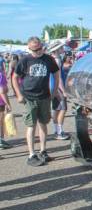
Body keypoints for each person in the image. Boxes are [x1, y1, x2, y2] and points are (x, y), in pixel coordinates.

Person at [12, 37, 61, 166]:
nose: (38, 51)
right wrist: (18, 95)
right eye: (35, 49)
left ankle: (43, 151)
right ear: (29, 48)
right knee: (31, 125)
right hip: (29, 97)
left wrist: (55, 91)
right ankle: (31, 154)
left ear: (42, 46)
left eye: (40, 48)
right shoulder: (25, 60)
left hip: (44, 96)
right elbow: (14, 77)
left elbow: (56, 74)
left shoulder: (48, 59)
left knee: (43, 123)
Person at [0, 59, 13, 149]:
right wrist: (8, 104)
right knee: (0, 121)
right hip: (0, 102)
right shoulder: (1, 75)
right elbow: (2, 91)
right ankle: (0, 140)